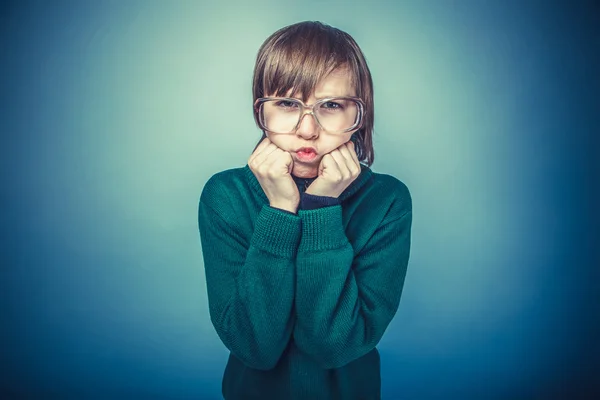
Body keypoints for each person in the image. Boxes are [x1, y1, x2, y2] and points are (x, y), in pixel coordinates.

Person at [198, 21, 412, 400]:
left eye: (331, 105)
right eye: (286, 104)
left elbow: (333, 346)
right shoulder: (225, 195)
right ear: (261, 109)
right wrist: (280, 209)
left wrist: (321, 207)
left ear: (358, 114)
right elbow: (255, 348)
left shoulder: (387, 201)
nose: (308, 129)